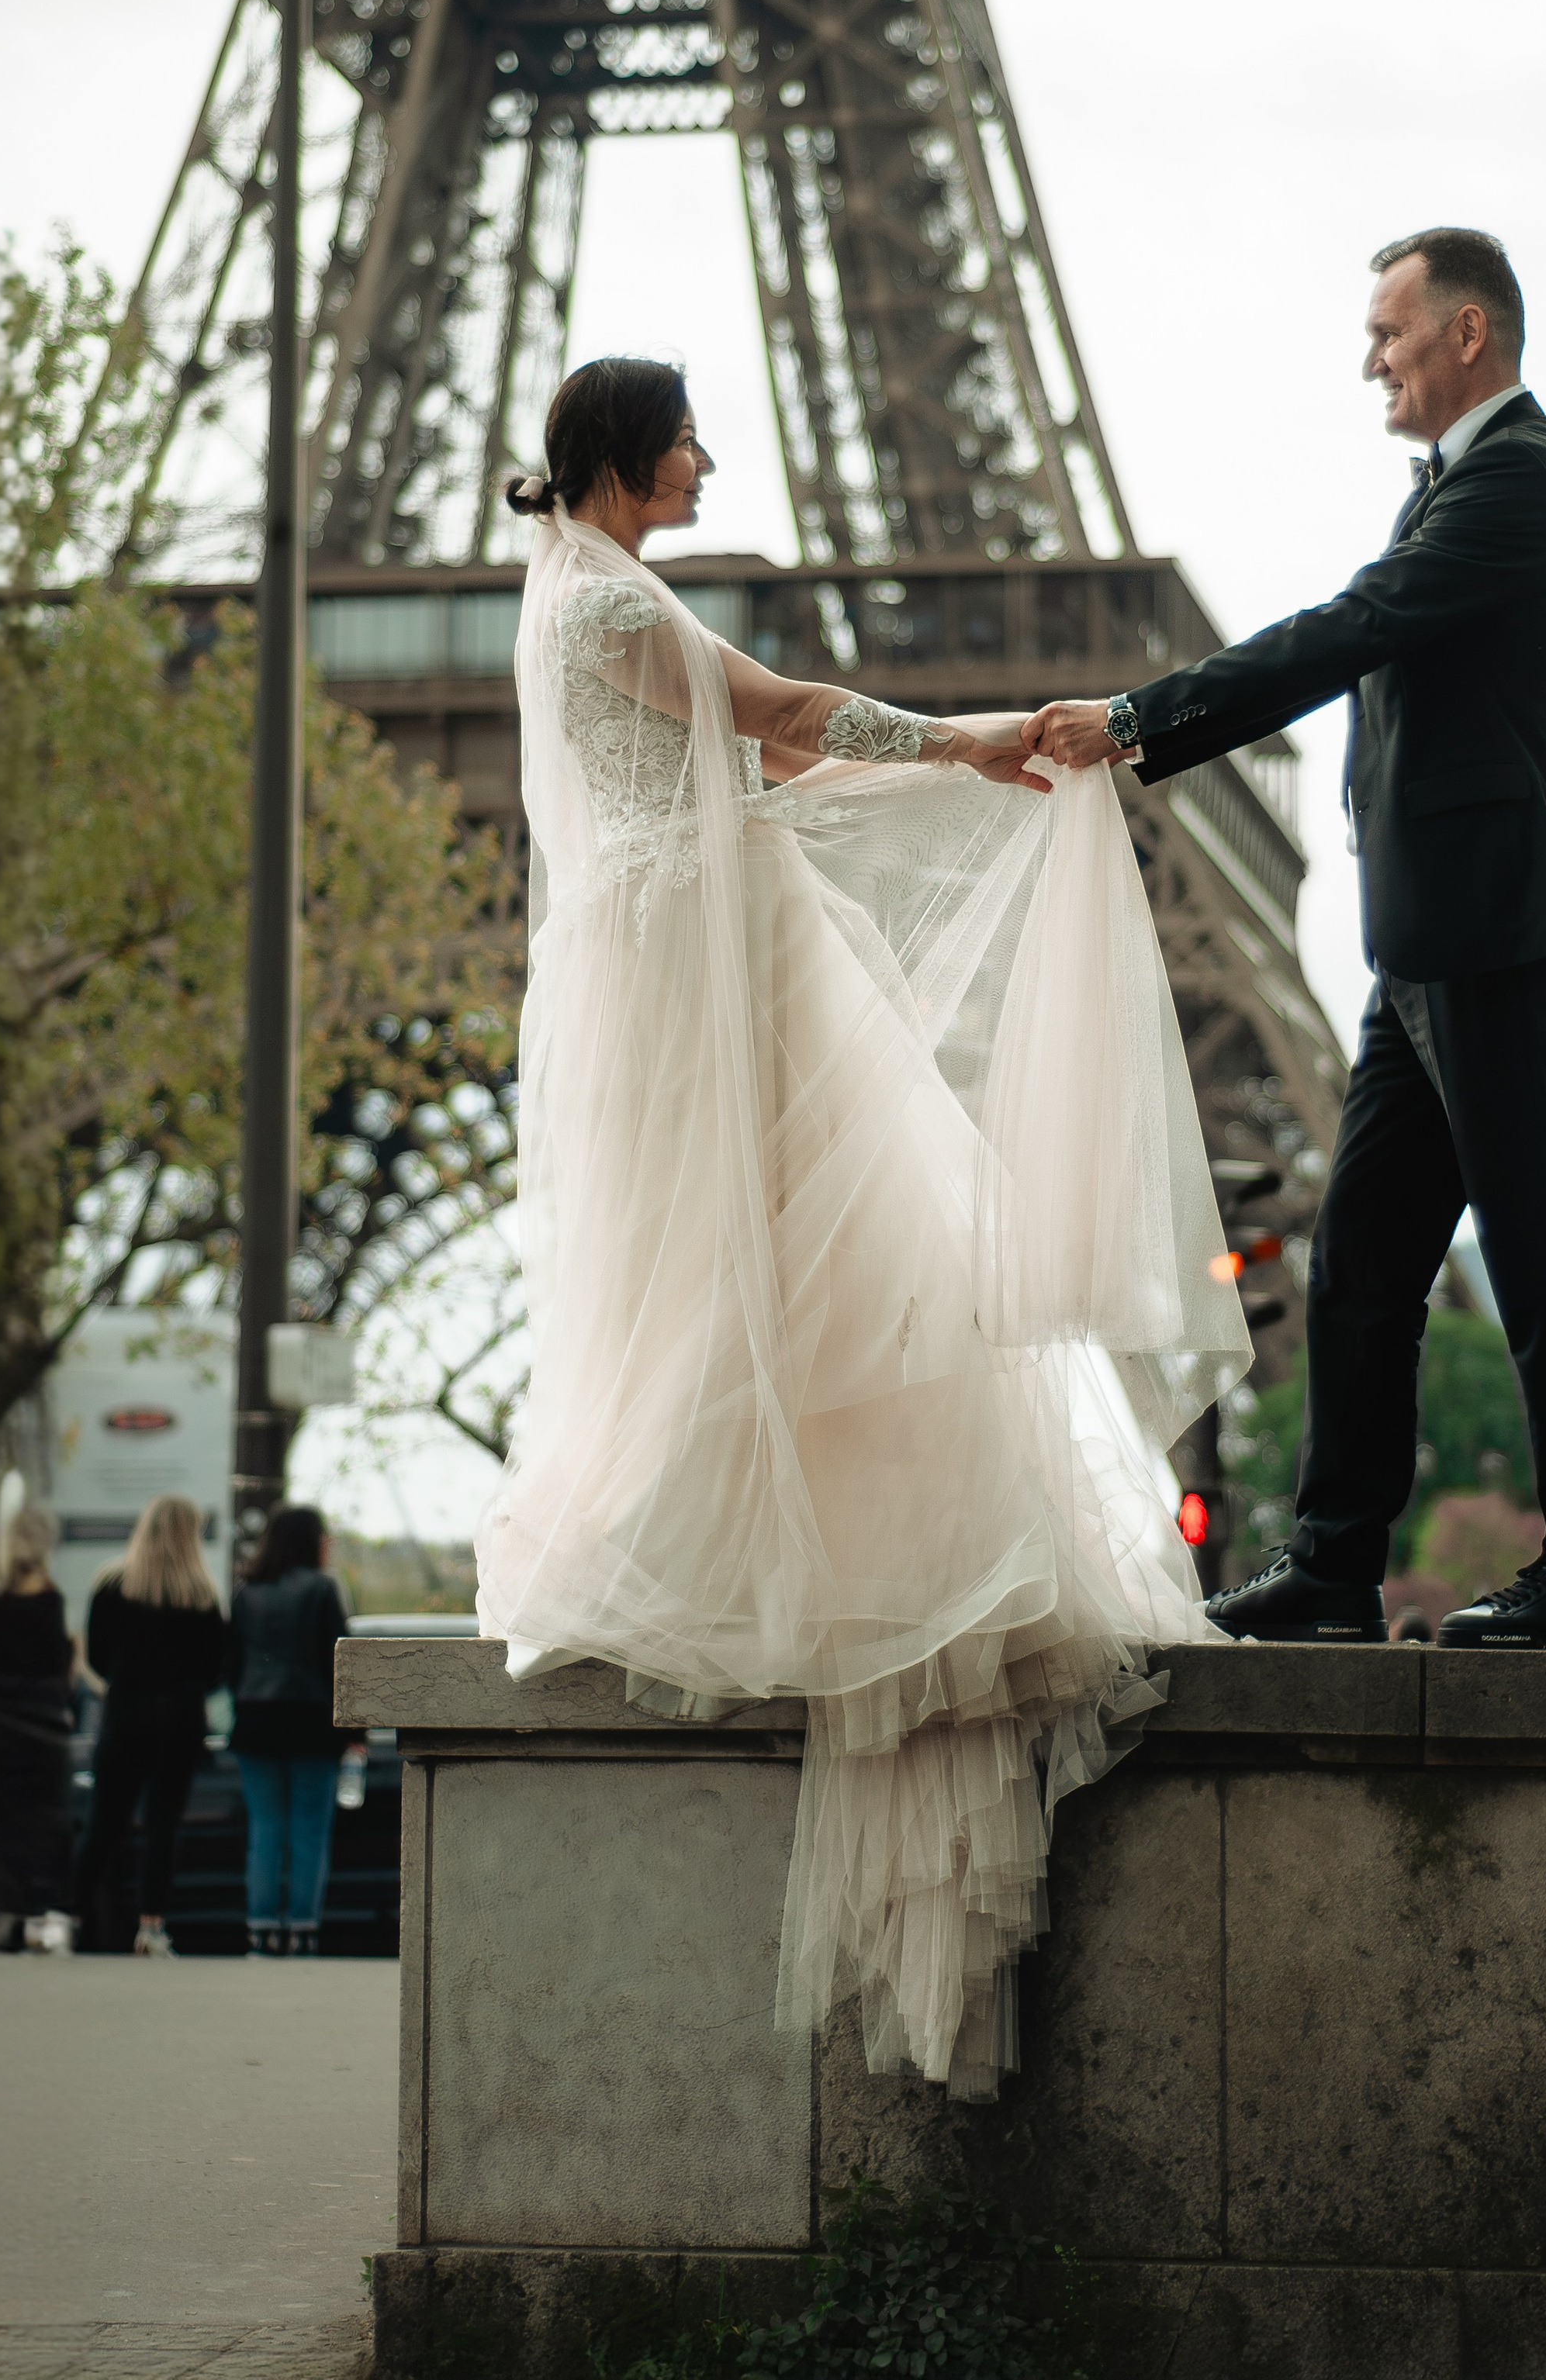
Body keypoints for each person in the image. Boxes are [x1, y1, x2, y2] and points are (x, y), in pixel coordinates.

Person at [476, 358, 1244, 2098]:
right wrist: (970, 745)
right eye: (681, 437)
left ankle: (739, 1514)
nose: (703, 458)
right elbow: (785, 719)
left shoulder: (581, 591)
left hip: (674, 955)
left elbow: (744, 760)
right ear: (616, 447)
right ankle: (785, 1539)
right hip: (704, 970)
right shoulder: (602, 600)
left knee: (761, 1262)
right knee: (817, 1255)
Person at [1023, 230, 1546, 1654]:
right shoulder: (1458, 486)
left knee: (1541, 1246)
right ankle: (1330, 1564)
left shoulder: (1521, 483)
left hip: (1492, 934)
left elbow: (1353, 630)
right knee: (1361, 1261)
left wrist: (1138, 719)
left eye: (1391, 330)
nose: (1372, 356)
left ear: (1470, 334)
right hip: (1424, 945)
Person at [74, 1493, 230, 1953]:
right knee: (163, 1825)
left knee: (104, 1821)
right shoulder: (201, 1595)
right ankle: (152, 1927)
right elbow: (216, 1668)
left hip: (125, 1713)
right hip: (179, 1718)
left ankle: (70, 1918)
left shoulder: (111, 1584)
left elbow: (97, 1657)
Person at [230, 1504, 350, 1957]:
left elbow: (232, 1664)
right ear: (308, 1541)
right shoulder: (322, 1590)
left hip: (256, 1719)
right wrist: (353, 1728)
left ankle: (261, 1927)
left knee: (265, 1827)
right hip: (312, 1720)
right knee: (309, 1829)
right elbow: (339, 1662)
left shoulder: (246, 1592)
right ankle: (303, 1927)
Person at [0, 1484, 78, 1957]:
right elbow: (56, 1667)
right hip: (42, 1730)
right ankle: (41, 1914)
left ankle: (0, 1916)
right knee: (42, 1825)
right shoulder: (49, 1601)